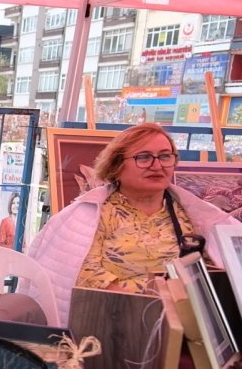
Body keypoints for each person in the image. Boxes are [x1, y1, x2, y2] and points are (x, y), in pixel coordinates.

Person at [27, 123, 234, 325]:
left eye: (165, 156)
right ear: (116, 166)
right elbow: (86, 277)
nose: (157, 165)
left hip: (189, 323)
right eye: (143, 157)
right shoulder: (93, 216)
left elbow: (218, 272)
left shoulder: (194, 215)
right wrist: (150, 310)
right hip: (113, 323)